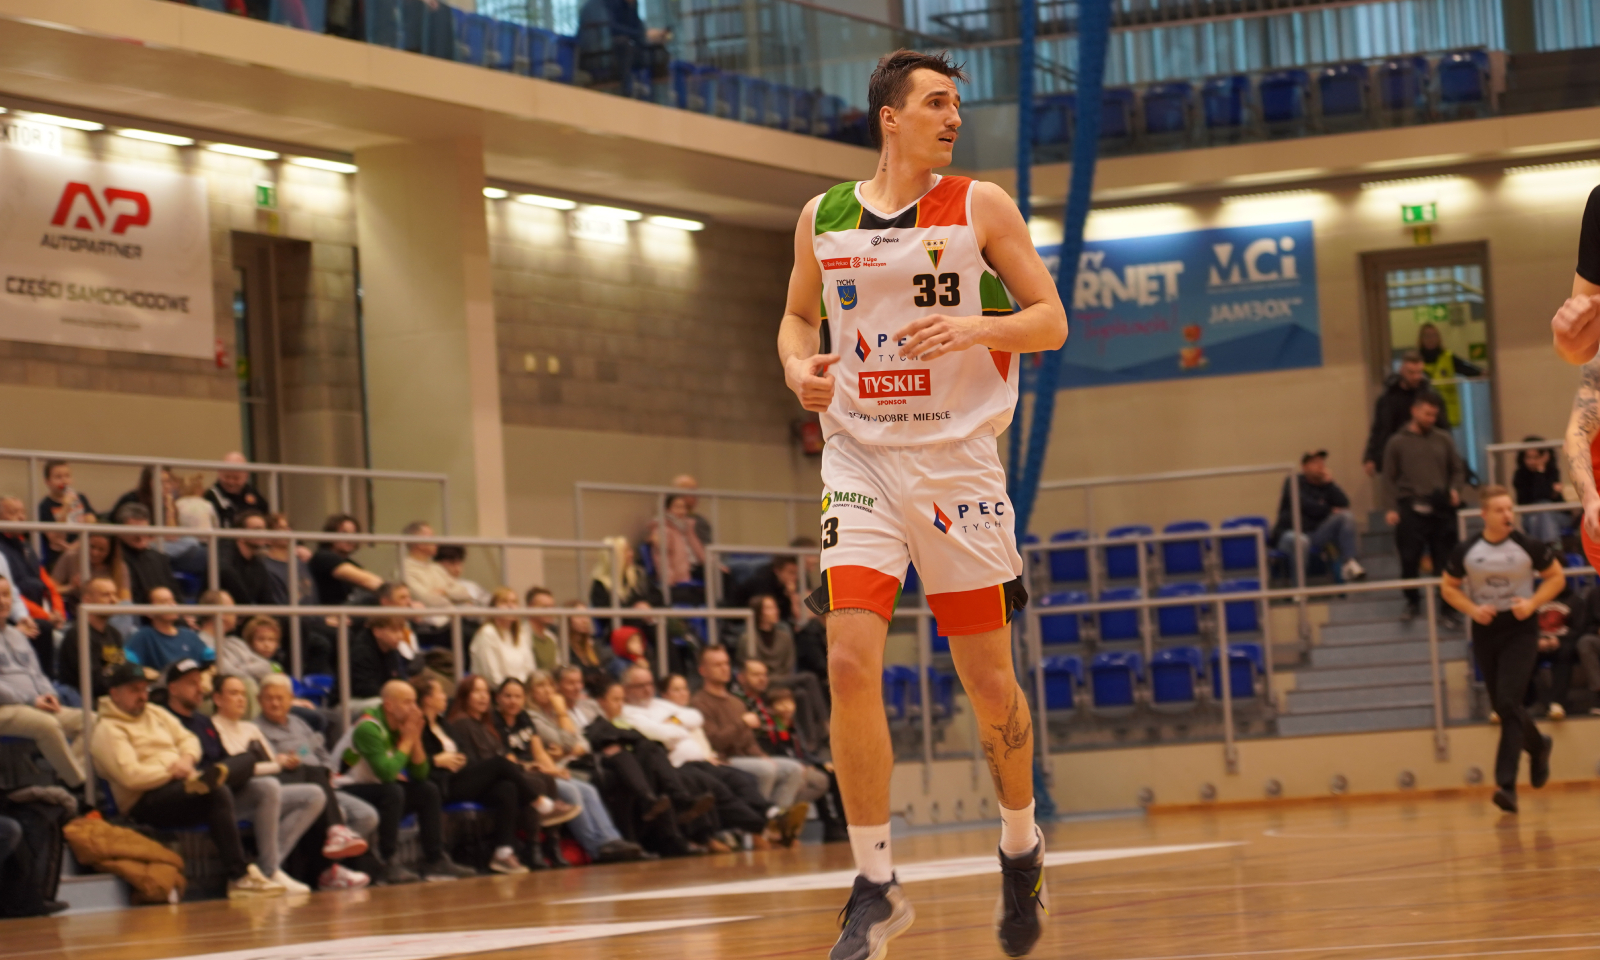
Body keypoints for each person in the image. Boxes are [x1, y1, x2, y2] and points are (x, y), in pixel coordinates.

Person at [777, 50, 1068, 959]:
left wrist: (977, 326)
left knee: (988, 684)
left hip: (955, 466)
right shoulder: (823, 217)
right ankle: (875, 885)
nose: (953, 118)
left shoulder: (980, 205)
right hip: (859, 457)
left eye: (957, 104)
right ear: (890, 118)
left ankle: (1019, 845)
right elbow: (797, 317)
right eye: (937, 103)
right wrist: (797, 368)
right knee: (849, 662)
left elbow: (1051, 319)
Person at [89, 662, 284, 898]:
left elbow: (189, 739)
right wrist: (172, 772)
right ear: (114, 694)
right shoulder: (107, 730)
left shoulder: (155, 712)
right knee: (216, 792)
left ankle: (216, 775)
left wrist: (187, 759)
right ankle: (239, 876)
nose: (142, 696)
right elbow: (131, 777)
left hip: (183, 784)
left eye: (144, 689)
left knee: (247, 758)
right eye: (134, 690)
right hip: (145, 801)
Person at [1440, 485, 1566, 813]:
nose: (1507, 515)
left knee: (1509, 702)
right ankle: (1538, 746)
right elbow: (1448, 587)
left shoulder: (1528, 546)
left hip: (1520, 628)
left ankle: (1505, 785)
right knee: (1503, 705)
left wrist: (1533, 603)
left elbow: (1556, 578)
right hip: (1485, 629)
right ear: (1484, 514)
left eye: (1510, 509)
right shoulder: (1467, 550)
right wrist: (1472, 609)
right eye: (1499, 510)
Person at [486, 676, 643, 863]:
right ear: (498, 698)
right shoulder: (494, 722)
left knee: (588, 790)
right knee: (571, 791)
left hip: (541, 771)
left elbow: (539, 752)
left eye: (517, 696)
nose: (513, 701)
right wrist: (548, 770)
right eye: (508, 696)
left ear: (523, 698)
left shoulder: (524, 718)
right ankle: (596, 848)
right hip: (522, 775)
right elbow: (508, 760)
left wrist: (553, 770)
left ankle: (611, 839)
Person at [335, 679, 477, 883]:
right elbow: (387, 774)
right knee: (393, 791)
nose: (414, 709)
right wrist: (408, 740)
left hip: (374, 786)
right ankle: (387, 861)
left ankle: (435, 859)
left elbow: (420, 774)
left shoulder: (399, 726)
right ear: (389, 706)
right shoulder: (368, 727)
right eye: (407, 702)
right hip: (344, 788)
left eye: (414, 702)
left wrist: (415, 739)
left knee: (427, 790)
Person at [622, 669, 775, 846]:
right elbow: (659, 734)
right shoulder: (627, 712)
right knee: (718, 789)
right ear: (626, 689)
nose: (647, 689)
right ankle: (765, 827)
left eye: (649, 684)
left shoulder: (659, 704)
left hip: (701, 760)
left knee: (740, 778)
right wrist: (680, 727)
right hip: (678, 765)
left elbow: (695, 716)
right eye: (640, 686)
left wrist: (675, 722)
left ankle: (771, 813)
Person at [208, 673, 328, 892]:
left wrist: (280, 762)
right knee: (269, 785)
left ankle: (265, 867)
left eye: (243, 694)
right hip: (232, 797)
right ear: (217, 699)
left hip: (264, 791)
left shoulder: (250, 729)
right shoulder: (212, 728)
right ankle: (272, 870)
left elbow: (272, 763)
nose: (240, 699)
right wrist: (276, 764)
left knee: (315, 794)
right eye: (233, 693)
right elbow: (237, 771)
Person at [254, 674, 375, 890]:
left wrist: (328, 770)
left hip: (322, 783)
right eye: (269, 698)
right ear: (259, 700)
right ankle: (330, 864)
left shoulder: (300, 724)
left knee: (366, 816)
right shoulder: (256, 728)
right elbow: (267, 762)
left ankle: (330, 859)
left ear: (291, 699)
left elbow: (320, 752)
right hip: (288, 784)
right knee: (317, 789)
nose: (275, 703)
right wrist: (281, 760)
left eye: (280, 698)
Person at [415, 676, 535, 874]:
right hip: (442, 783)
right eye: (440, 693)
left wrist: (460, 759)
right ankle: (537, 801)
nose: (445, 696)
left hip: (459, 776)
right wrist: (436, 760)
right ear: (427, 699)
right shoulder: (419, 727)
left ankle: (503, 853)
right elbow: (414, 761)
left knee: (507, 788)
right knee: (500, 763)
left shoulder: (443, 725)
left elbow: (463, 752)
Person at [691, 645, 810, 842]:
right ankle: (757, 831)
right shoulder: (699, 702)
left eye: (726, 663)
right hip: (723, 760)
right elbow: (713, 741)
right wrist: (742, 724)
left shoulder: (736, 702)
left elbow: (749, 741)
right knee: (765, 769)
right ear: (703, 670)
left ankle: (780, 825)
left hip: (745, 756)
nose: (724, 668)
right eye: (717, 664)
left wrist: (762, 755)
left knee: (793, 769)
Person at [1381, 392, 1465, 624]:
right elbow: (1388, 478)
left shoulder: (1444, 439)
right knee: (1409, 559)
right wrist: (1390, 508)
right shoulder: (1397, 442)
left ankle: (1447, 607)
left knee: (1445, 560)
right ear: (1414, 411)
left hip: (1440, 508)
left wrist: (1455, 489)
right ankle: (1412, 602)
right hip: (1410, 507)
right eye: (1427, 414)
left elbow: (1458, 469)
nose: (1431, 419)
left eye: (1434, 415)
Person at [0, 576, 86, 788]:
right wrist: (32, 700)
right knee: (47, 724)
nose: (2, 601)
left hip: (34, 705)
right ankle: (79, 786)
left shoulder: (17, 635)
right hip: (5, 708)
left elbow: (37, 673)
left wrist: (50, 695)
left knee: (91, 721)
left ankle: (67, 778)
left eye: (5, 595)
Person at [1270, 450, 1366, 583]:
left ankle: (1349, 563)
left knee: (1345, 516)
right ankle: (1298, 588)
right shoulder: (1293, 481)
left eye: (1322, 462)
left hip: (1315, 534)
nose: (1320, 466)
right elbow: (1305, 505)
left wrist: (1330, 483)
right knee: (1302, 541)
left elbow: (1344, 503)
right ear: (1304, 467)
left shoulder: (1325, 486)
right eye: (1315, 463)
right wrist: (1329, 510)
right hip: (1290, 534)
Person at [1363, 349, 1451, 476]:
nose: (1416, 377)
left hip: (1425, 455)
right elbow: (1379, 428)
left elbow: (1444, 427)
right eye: (1411, 372)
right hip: (1395, 456)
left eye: (1419, 372)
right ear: (1401, 370)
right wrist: (1370, 456)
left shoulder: (1431, 397)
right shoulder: (1388, 397)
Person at [58, 577, 129, 701]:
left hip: (111, 696)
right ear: (87, 600)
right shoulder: (77, 635)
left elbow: (118, 670)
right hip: (84, 701)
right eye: (106, 595)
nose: (113, 600)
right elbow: (92, 682)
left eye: (114, 594)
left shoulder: (114, 634)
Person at [125, 586, 214, 673]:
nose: (172, 605)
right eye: (164, 602)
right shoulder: (144, 636)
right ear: (149, 612)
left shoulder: (189, 635)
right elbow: (128, 665)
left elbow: (211, 660)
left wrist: (207, 674)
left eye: (173, 600)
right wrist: (145, 674)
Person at [1416, 322, 1483, 430]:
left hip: (1446, 411)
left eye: (1434, 335)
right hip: (1425, 410)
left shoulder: (1447, 357)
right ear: (1421, 339)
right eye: (1427, 336)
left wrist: (1481, 373)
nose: (1431, 339)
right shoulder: (1416, 360)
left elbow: (1465, 368)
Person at [310, 514, 385, 606]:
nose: (350, 539)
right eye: (344, 533)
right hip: (331, 611)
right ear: (331, 535)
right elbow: (368, 581)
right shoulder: (324, 557)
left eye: (354, 534)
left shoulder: (351, 563)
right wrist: (391, 592)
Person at [111, 504, 179, 605]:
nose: (140, 535)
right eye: (134, 531)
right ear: (120, 531)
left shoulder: (160, 558)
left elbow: (176, 596)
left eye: (144, 530)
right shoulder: (114, 559)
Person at [469, 587, 535, 688]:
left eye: (514, 602)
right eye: (504, 602)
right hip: (497, 691)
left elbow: (530, 669)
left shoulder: (521, 634)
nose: (510, 606)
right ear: (493, 608)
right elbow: (492, 676)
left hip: (521, 690)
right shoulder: (487, 633)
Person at [37, 459, 93, 571]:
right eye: (58, 477)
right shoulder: (44, 506)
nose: (64, 481)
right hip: (59, 557)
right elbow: (55, 539)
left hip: (83, 550)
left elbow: (92, 520)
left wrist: (76, 545)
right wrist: (65, 507)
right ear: (47, 481)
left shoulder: (80, 498)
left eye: (67, 476)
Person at [525, 669, 591, 764]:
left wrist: (564, 754)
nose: (547, 690)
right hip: (557, 767)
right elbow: (569, 744)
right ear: (530, 691)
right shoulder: (531, 717)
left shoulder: (557, 709)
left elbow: (586, 743)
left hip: (576, 762)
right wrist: (562, 713)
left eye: (550, 685)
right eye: (540, 686)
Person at [348, 614, 416, 703]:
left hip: (380, 696)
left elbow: (398, 678)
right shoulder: (361, 651)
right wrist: (395, 695)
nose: (400, 636)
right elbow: (364, 688)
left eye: (401, 630)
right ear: (377, 632)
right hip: (352, 701)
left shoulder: (391, 649)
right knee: (387, 704)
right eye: (394, 631)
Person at [1512, 439, 1568, 546]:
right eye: (1528, 457)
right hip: (1531, 517)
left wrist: (1541, 472)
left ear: (1545, 457)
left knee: (1544, 509)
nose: (1532, 461)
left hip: (1557, 516)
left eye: (1536, 457)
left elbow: (1550, 499)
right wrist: (1540, 472)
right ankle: (1553, 548)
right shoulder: (1520, 475)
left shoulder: (1552, 471)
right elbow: (1535, 497)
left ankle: (1542, 550)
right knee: (1540, 513)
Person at [205, 452, 268, 529]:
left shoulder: (254, 495)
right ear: (219, 472)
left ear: (246, 475)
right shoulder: (210, 497)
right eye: (227, 477)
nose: (231, 482)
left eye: (236, 478)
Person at [523, 587, 563, 672]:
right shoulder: (522, 635)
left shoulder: (551, 637)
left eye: (552, 607)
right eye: (544, 607)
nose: (550, 611)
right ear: (530, 608)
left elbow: (557, 667)